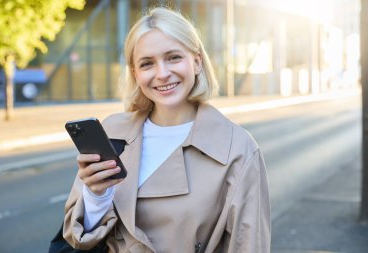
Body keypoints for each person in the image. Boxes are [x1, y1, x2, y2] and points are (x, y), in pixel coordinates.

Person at [63, 7, 271, 253]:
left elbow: (248, 244)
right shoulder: (113, 131)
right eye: (147, 63)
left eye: (173, 57)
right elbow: (79, 237)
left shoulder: (237, 148)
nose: (162, 74)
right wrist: (96, 197)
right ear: (135, 73)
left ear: (196, 61)